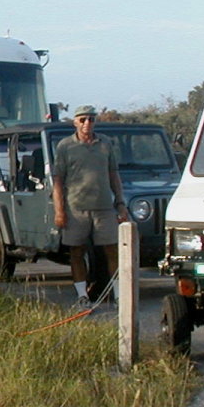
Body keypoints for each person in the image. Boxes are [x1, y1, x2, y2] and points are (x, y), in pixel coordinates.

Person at [52, 106, 128, 307]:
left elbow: (114, 174)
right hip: (76, 208)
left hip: (104, 208)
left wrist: (120, 202)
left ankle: (119, 295)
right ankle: (82, 296)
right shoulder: (65, 146)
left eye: (91, 119)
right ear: (75, 122)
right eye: (83, 119)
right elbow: (58, 180)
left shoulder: (105, 143)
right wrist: (59, 211)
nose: (88, 123)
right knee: (77, 252)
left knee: (112, 250)